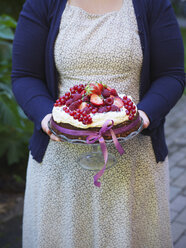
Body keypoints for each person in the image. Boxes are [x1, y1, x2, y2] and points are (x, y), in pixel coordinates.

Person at [12, 0, 185, 247]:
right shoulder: (42, 3)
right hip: (61, 169)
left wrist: (142, 118)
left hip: (135, 166)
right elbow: (25, 75)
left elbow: (171, 74)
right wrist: (48, 119)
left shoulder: (152, 3)